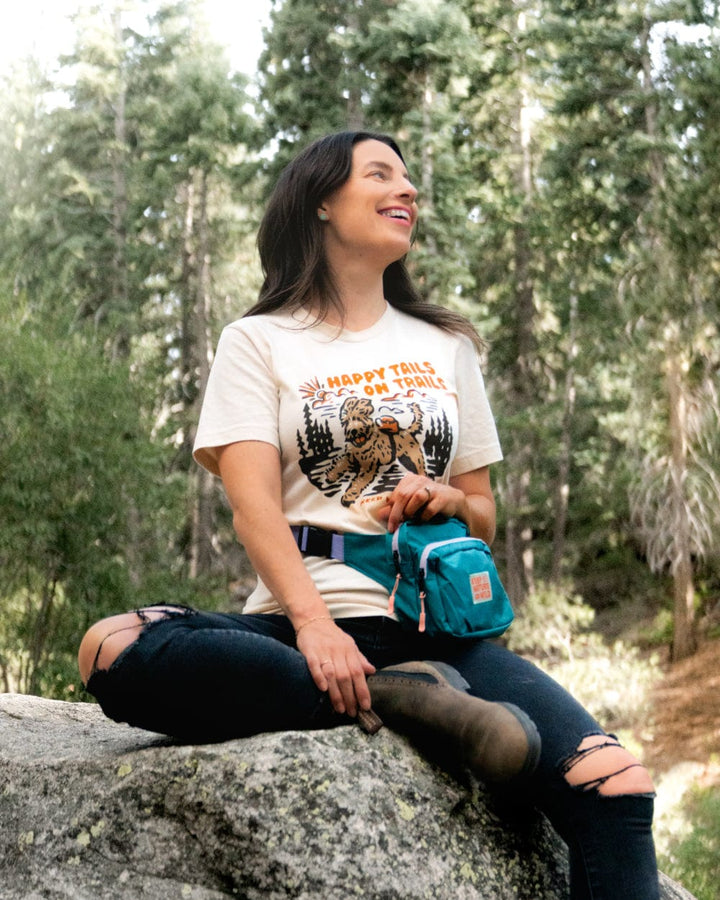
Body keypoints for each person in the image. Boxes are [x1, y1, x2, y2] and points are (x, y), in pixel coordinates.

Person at [78, 131, 660, 899]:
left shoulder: (446, 345)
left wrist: (451, 501)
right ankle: (388, 696)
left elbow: (483, 514)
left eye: (409, 179)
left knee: (616, 784)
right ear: (321, 201)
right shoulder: (258, 341)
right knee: (110, 646)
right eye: (380, 174)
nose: (407, 190)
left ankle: (404, 688)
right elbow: (254, 509)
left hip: (443, 638)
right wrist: (315, 627)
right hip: (298, 628)